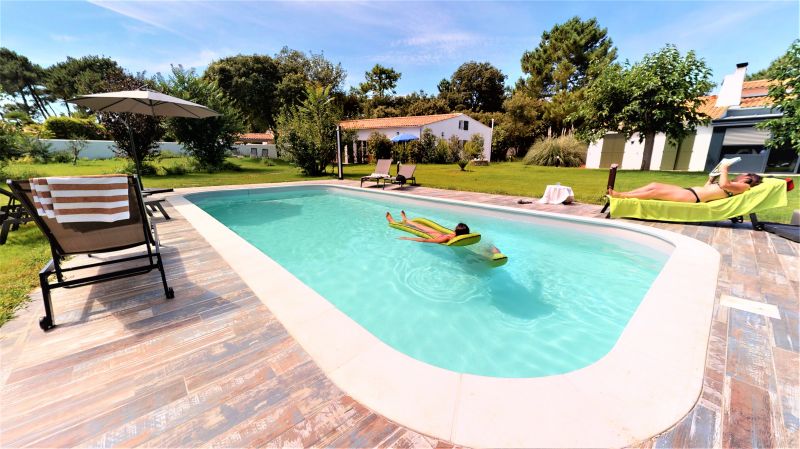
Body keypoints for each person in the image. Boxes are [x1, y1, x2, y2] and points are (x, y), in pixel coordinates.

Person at [608, 163, 763, 203]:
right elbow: (708, 189)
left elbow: (724, 185)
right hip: (690, 191)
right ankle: (624, 194)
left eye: (742, 174)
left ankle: (621, 196)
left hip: (691, 197)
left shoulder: (744, 186)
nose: (739, 174)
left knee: (655, 193)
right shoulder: (734, 185)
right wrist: (711, 179)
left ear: (747, 178)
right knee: (654, 184)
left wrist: (724, 168)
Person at [386, 210, 469, 244]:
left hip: (433, 235)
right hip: (438, 233)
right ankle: (406, 220)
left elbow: (426, 240)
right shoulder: (454, 235)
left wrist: (408, 238)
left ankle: (392, 222)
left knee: (416, 228)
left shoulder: (447, 238)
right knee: (419, 225)